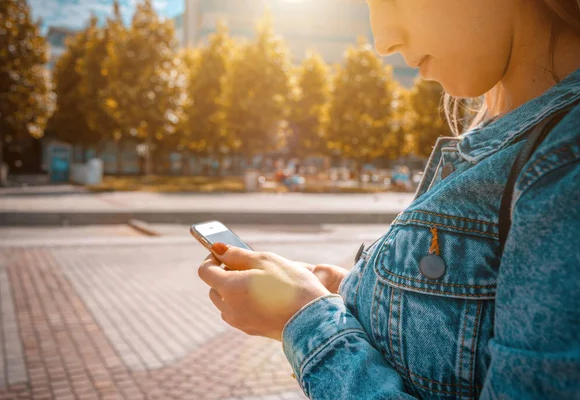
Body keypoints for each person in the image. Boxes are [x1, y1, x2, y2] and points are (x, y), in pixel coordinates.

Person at [198, 1, 580, 398]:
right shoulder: (515, 140)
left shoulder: (564, 164)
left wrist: (303, 320)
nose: (382, 41)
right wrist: (352, 292)